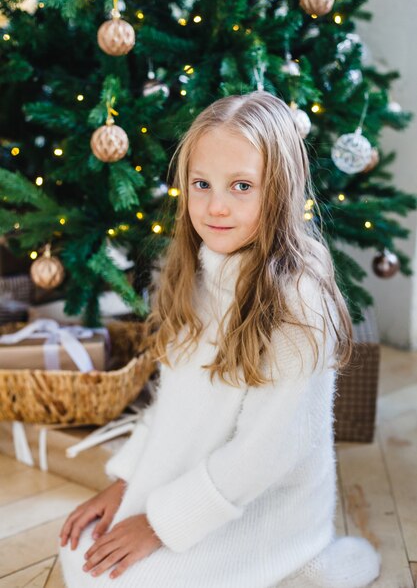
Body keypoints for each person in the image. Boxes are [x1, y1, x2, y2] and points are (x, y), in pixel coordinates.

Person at [59, 91, 381, 588]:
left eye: (241, 186)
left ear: (279, 190)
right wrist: (126, 486)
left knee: (119, 581)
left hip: (264, 509)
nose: (215, 207)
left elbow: (269, 453)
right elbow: (174, 407)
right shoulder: (192, 269)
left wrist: (160, 524)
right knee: (82, 557)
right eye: (202, 184)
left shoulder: (297, 301)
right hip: (190, 480)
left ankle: (308, 561)